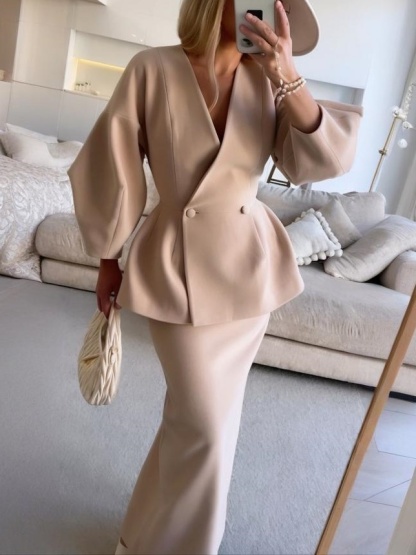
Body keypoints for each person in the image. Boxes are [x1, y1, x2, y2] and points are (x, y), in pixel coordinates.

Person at [68, 0, 362, 553]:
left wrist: (287, 74)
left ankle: (140, 539)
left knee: (200, 425)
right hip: (174, 267)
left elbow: (321, 163)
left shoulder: (271, 81)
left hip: (246, 274)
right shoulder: (152, 68)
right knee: (203, 425)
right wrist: (107, 258)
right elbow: (114, 163)